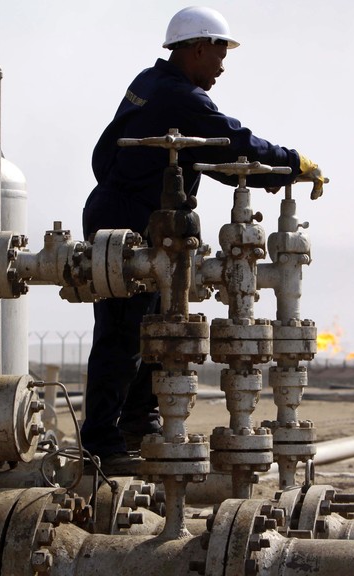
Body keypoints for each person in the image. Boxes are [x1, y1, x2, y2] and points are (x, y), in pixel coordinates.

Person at [81, 6, 326, 475]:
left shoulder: (149, 83)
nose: (222, 64)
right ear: (196, 48)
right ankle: (101, 443)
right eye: (219, 52)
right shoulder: (182, 98)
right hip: (130, 222)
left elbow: (195, 156)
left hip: (133, 216)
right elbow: (234, 143)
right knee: (122, 334)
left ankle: (137, 422)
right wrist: (294, 163)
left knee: (151, 329)